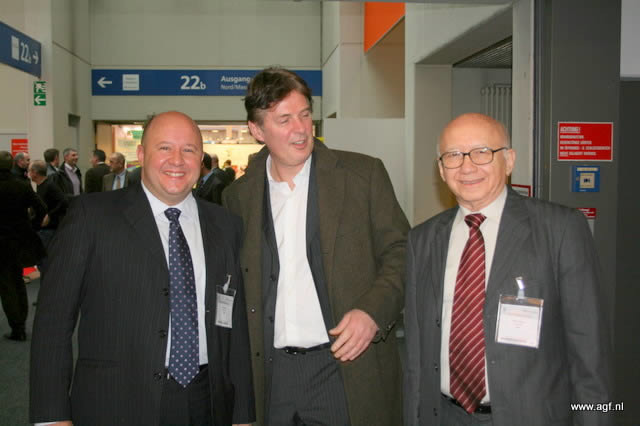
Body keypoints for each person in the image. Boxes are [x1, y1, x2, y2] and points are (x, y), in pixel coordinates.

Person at [30, 111, 255, 426]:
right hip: (116, 402)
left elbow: (235, 326)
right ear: (141, 154)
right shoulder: (91, 216)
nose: (177, 160)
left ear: (201, 158)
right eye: (164, 148)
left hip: (206, 401)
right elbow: (53, 321)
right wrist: (51, 416)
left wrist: (242, 414)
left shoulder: (226, 225)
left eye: (189, 149)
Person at [223, 67, 409, 426]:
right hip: (271, 376)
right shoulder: (238, 197)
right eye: (284, 120)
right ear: (257, 130)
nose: (301, 129)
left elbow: (401, 253)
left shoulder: (362, 176)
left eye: (305, 114)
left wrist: (372, 312)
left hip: (343, 370)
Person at [403, 113, 612, 426]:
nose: (467, 166)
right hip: (445, 416)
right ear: (441, 169)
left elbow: (590, 354)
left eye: (482, 152)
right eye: (453, 155)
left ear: (509, 160)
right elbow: (415, 355)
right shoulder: (422, 239)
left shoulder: (560, 229)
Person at [0, 151, 46, 341]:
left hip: (1, 242)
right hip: (19, 240)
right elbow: (41, 208)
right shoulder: (21, 185)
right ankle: (21, 322)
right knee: (18, 281)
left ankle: (17, 327)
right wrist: (31, 226)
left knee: (6, 285)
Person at [28, 160, 68, 251]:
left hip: (49, 230)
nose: (28, 174)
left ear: (35, 173)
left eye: (29, 171)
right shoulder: (40, 185)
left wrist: (50, 215)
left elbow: (64, 202)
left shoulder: (50, 185)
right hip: (42, 229)